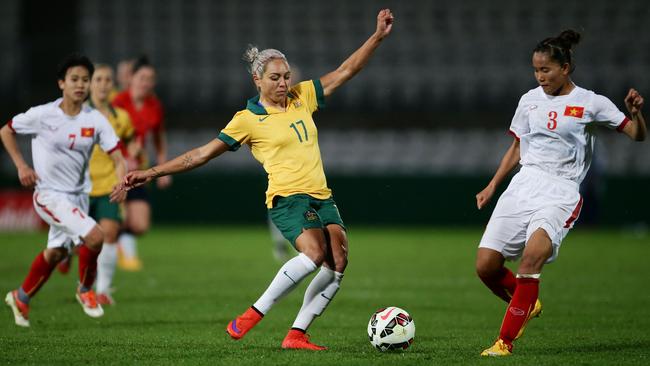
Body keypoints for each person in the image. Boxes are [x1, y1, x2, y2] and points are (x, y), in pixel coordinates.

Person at [115, 9, 394, 350]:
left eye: (286, 76)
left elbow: (346, 70)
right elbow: (200, 154)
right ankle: (253, 314)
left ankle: (296, 335)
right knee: (314, 254)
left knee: (339, 264)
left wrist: (377, 36)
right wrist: (150, 172)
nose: (283, 83)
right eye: (275, 77)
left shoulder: (301, 97)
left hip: (322, 195)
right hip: (288, 199)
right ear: (257, 80)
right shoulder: (247, 120)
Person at [474, 30, 646, 356]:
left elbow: (637, 136)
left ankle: (504, 342)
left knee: (532, 257)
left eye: (546, 70)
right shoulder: (529, 100)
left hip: (561, 191)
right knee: (485, 266)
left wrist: (636, 114)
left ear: (565, 68)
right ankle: (528, 302)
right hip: (524, 185)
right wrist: (492, 185)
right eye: (536, 70)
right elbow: (517, 147)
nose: (540, 77)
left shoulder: (591, 102)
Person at [1, 54, 127, 327]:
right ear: (61, 83)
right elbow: (6, 131)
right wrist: (22, 166)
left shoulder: (95, 119)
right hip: (48, 195)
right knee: (95, 236)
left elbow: (118, 156)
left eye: (85, 80)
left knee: (57, 253)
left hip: (78, 197)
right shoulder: (42, 114)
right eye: (74, 79)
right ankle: (85, 290)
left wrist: (121, 181)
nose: (80, 85)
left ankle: (20, 297)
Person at [112, 56, 171, 270]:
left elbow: (158, 137)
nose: (147, 82)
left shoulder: (154, 105)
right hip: (113, 170)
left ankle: (109, 242)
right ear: (131, 78)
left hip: (138, 170)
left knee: (140, 225)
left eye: (151, 78)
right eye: (142, 77)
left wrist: (163, 165)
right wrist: (123, 152)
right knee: (112, 220)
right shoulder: (117, 102)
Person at [87, 64, 136, 305]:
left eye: (108, 79)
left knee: (109, 234)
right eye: (98, 79)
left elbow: (131, 140)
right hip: (80, 187)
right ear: (89, 84)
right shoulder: (77, 115)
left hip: (109, 184)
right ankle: (81, 279)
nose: (104, 84)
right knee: (80, 242)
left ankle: (102, 290)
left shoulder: (121, 117)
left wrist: (134, 153)